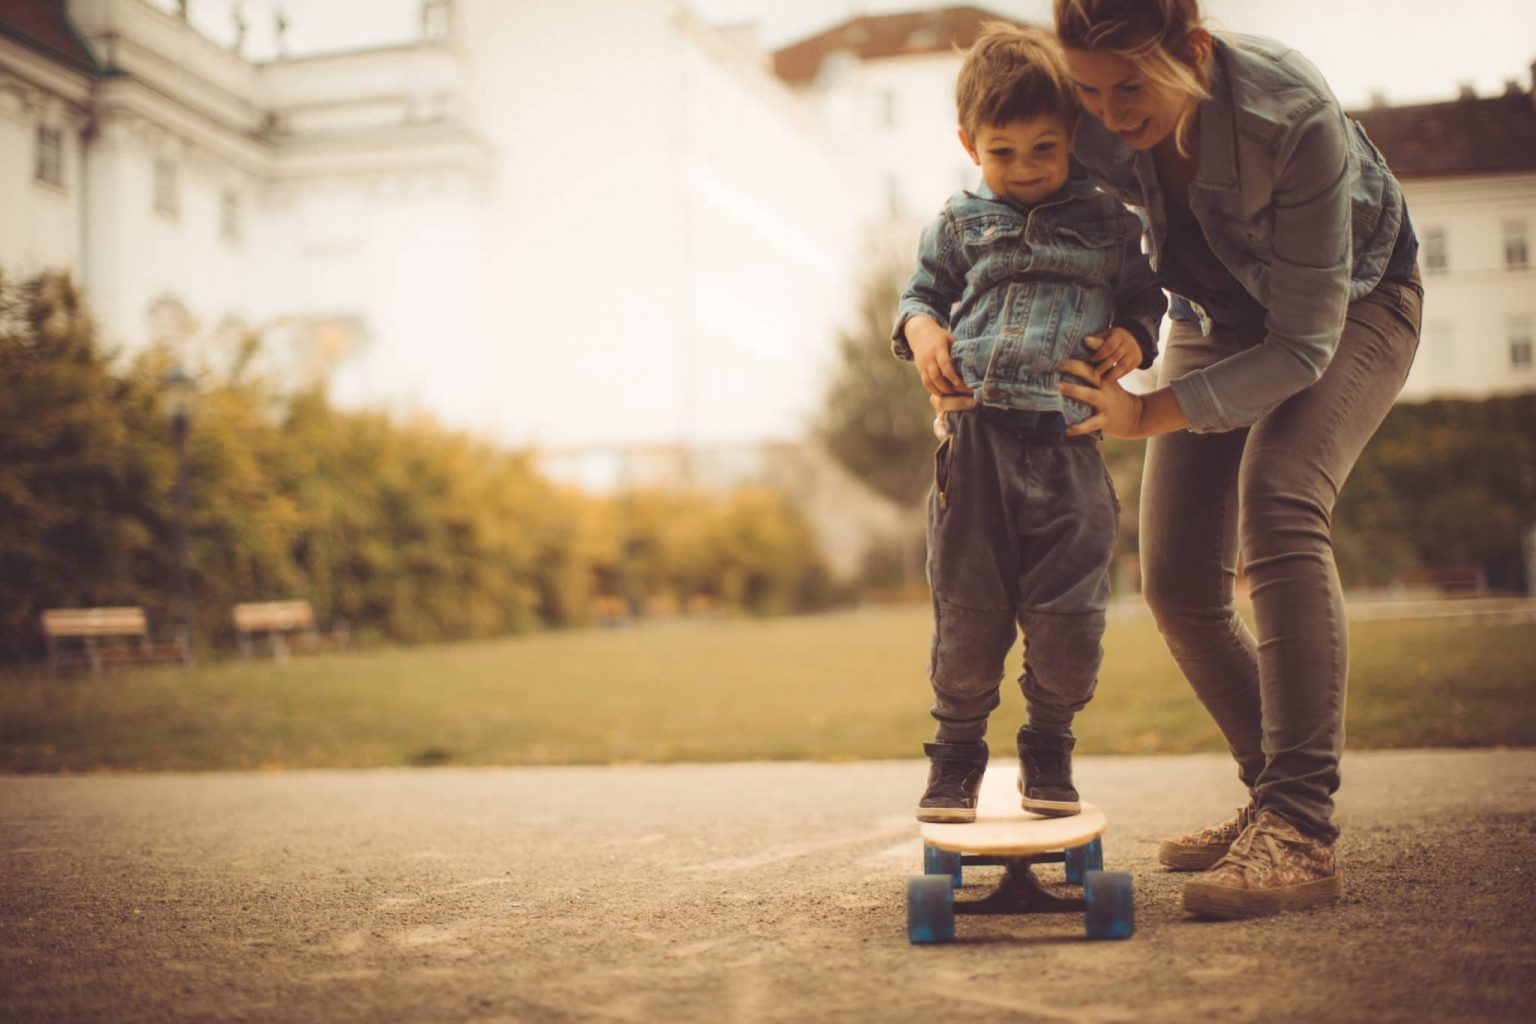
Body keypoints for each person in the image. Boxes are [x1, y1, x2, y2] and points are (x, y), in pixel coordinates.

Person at [991, 0, 1419, 918]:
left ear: (1193, 50)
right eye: (1091, 91)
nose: (1108, 112)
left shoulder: (1287, 113)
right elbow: (1043, 222)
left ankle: (1301, 828)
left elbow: (1305, 343)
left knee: (1280, 500)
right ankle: (1273, 797)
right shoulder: (1084, 101)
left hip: (1356, 303)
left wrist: (1150, 415)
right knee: (1179, 576)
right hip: (1214, 314)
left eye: (1131, 88)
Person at [894, 23, 1167, 825]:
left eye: (1042, 149)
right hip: (975, 449)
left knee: (1070, 623)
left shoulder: (1112, 225)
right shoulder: (956, 224)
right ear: (968, 142)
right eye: (1000, 152)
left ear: (1073, 137)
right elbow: (919, 299)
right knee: (970, 615)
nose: (1022, 170)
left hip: (1069, 452)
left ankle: (1048, 743)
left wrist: (1134, 336)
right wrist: (921, 334)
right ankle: (956, 756)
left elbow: (1145, 301)